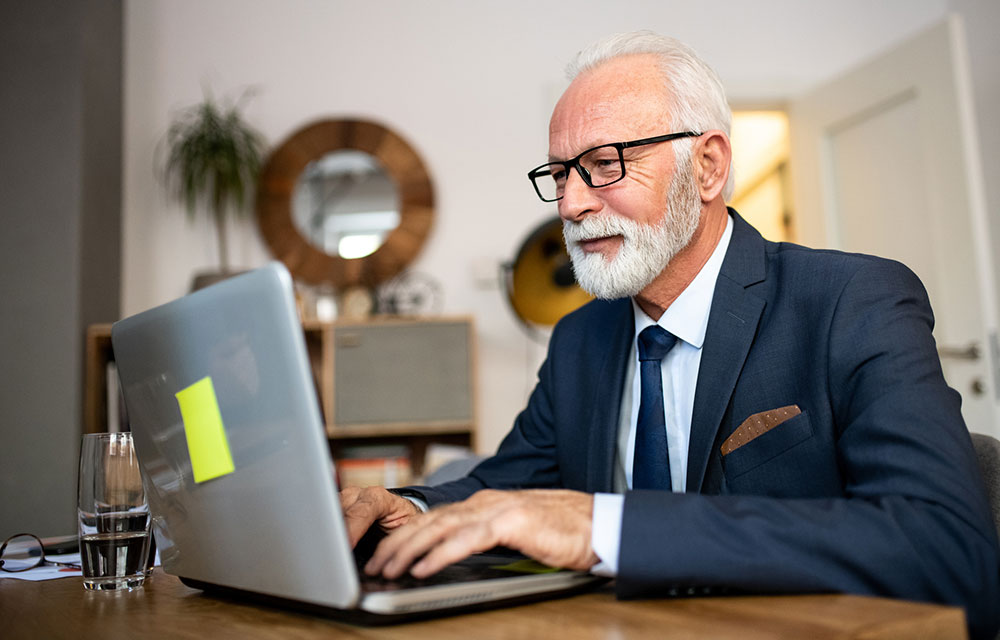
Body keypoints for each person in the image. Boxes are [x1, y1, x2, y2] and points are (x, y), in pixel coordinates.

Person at [340, 31, 1000, 638]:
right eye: (561, 173)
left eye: (604, 163)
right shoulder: (579, 340)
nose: (571, 204)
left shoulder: (852, 303)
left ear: (707, 167)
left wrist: (602, 527)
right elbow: (506, 488)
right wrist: (410, 507)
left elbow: (946, 551)